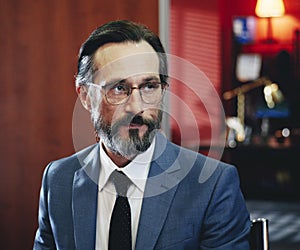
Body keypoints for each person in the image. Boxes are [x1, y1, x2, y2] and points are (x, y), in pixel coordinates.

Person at [33, 20, 251, 250]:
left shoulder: (212, 184)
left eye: (149, 86)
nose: (136, 107)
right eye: (118, 88)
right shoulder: (58, 179)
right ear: (86, 96)